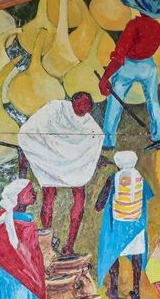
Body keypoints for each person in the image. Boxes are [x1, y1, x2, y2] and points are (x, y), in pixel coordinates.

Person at [18, 93, 103, 255]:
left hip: (74, 163)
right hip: (51, 157)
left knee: (79, 195)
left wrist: (93, 156)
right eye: (80, 106)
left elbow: (95, 139)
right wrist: (53, 146)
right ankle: (47, 240)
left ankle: (69, 245)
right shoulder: (55, 108)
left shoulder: (89, 124)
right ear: (72, 102)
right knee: (49, 195)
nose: (83, 109)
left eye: (87, 107)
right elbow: (35, 126)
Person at [100, 0, 160, 147]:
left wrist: (105, 77)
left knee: (115, 101)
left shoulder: (134, 25)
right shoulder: (158, 29)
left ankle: (109, 140)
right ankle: (158, 135)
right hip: (148, 66)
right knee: (153, 100)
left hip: (128, 66)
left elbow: (119, 56)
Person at [95, 151, 153, 299]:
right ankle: (136, 290)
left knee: (113, 254)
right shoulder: (140, 178)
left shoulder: (113, 179)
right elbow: (148, 195)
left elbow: (99, 205)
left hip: (118, 226)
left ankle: (113, 288)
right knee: (136, 256)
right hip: (136, 226)